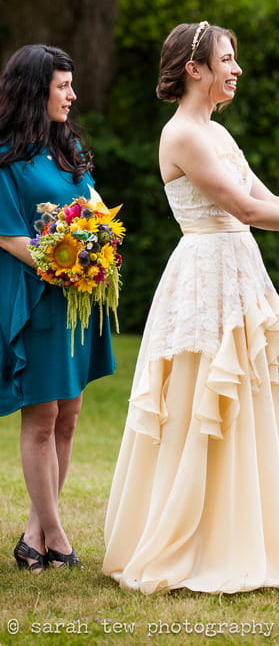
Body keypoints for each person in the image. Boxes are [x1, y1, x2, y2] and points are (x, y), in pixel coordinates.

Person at [102, 21, 279, 594]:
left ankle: (244, 531)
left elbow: (266, 198)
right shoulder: (184, 135)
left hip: (238, 271)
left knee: (245, 398)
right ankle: (196, 541)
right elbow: (245, 209)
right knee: (202, 399)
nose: (237, 69)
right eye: (227, 58)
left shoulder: (217, 134)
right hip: (204, 277)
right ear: (194, 69)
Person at [0, 44, 116, 572]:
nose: (72, 95)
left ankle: (33, 533)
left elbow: (91, 212)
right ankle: (58, 536)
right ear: (35, 90)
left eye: (71, 85)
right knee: (42, 417)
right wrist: (65, 266)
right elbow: (9, 238)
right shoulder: (7, 158)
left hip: (77, 300)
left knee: (69, 416)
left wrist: (96, 254)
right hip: (37, 298)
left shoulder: (65, 149)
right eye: (62, 86)